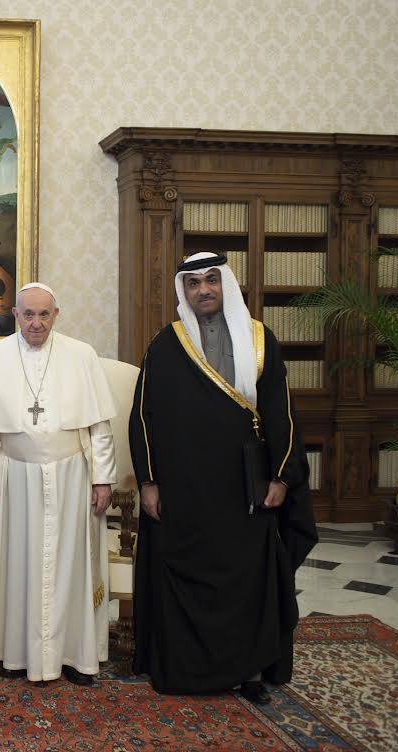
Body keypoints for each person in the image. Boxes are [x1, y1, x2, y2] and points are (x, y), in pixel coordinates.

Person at [129, 252, 318, 705]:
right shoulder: (165, 345)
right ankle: (184, 666)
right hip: (183, 489)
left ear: (225, 284)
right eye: (193, 283)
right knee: (185, 571)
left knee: (247, 577)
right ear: (184, 291)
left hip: (246, 484)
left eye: (211, 280)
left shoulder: (260, 339)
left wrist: (282, 477)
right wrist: (149, 482)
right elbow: (143, 417)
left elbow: (281, 414)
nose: (204, 290)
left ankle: (249, 670)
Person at [0, 282, 118, 685]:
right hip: (14, 476)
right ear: (15, 315)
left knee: (71, 566)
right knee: (17, 565)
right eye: (28, 314)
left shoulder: (81, 355)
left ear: (56, 314)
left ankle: (75, 655)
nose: (36, 323)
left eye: (44, 314)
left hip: (72, 477)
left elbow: (99, 428)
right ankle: (16, 654)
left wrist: (102, 478)